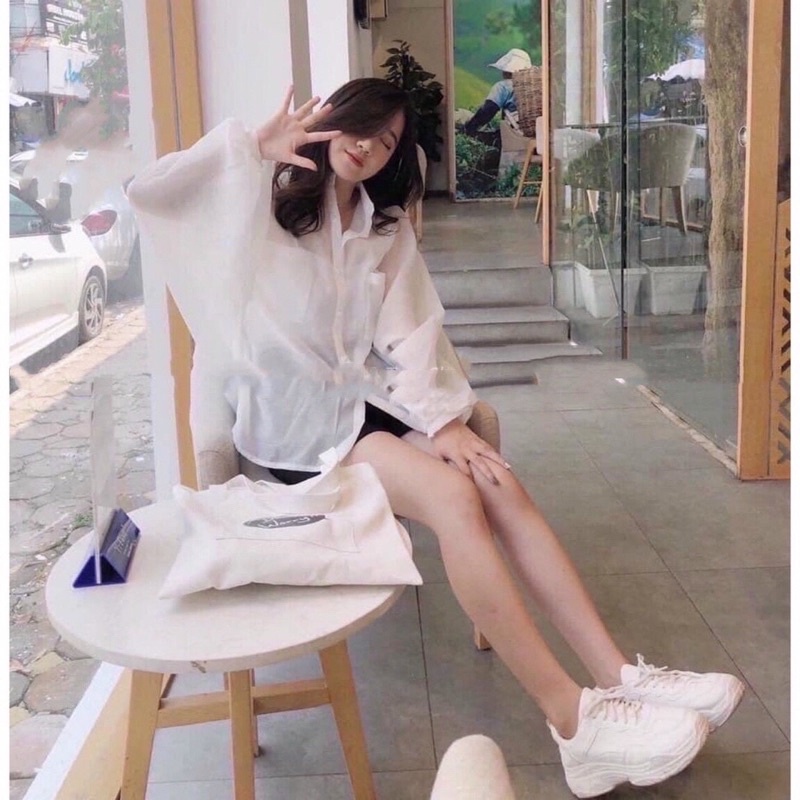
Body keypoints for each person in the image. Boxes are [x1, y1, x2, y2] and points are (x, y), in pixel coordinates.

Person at [128, 78, 743, 798]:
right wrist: (249, 147)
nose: (368, 146)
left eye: (388, 140)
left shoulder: (381, 227)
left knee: (494, 479)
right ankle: (573, 722)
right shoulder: (260, 202)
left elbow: (411, 330)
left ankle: (620, 675)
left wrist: (445, 422)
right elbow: (152, 193)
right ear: (330, 121)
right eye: (361, 126)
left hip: (364, 405)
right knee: (454, 500)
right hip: (296, 431)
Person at [463, 48, 531, 147]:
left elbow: (488, 110)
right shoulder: (532, 87)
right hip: (532, 134)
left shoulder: (503, 86)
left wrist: (470, 127)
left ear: (506, 71)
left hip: (513, 135)